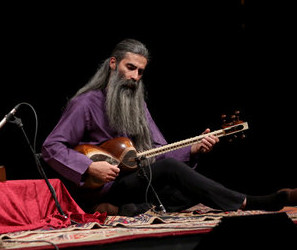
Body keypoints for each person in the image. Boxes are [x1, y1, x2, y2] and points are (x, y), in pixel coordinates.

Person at [42, 38, 296, 216]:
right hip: (103, 188)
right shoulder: (85, 104)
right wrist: (89, 167)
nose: (134, 77)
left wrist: (193, 149)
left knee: (191, 191)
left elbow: (159, 152)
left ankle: (127, 210)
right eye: (130, 67)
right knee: (180, 176)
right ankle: (248, 201)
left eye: (140, 72)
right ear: (112, 64)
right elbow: (51, 147)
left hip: (137, 184)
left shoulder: (137, 106)